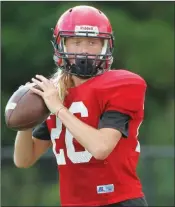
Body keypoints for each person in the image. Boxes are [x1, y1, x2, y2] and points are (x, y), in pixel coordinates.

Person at [14, 5, 148, 207]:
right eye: (76, 42)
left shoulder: (121, 85)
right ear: (62, 46)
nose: (84, 49)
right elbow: (24, 160)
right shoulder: (56, 93)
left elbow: (101, 148)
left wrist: (59, 108)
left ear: (105, 47)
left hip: (117, 201)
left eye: (93, 42)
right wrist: (24, 118)